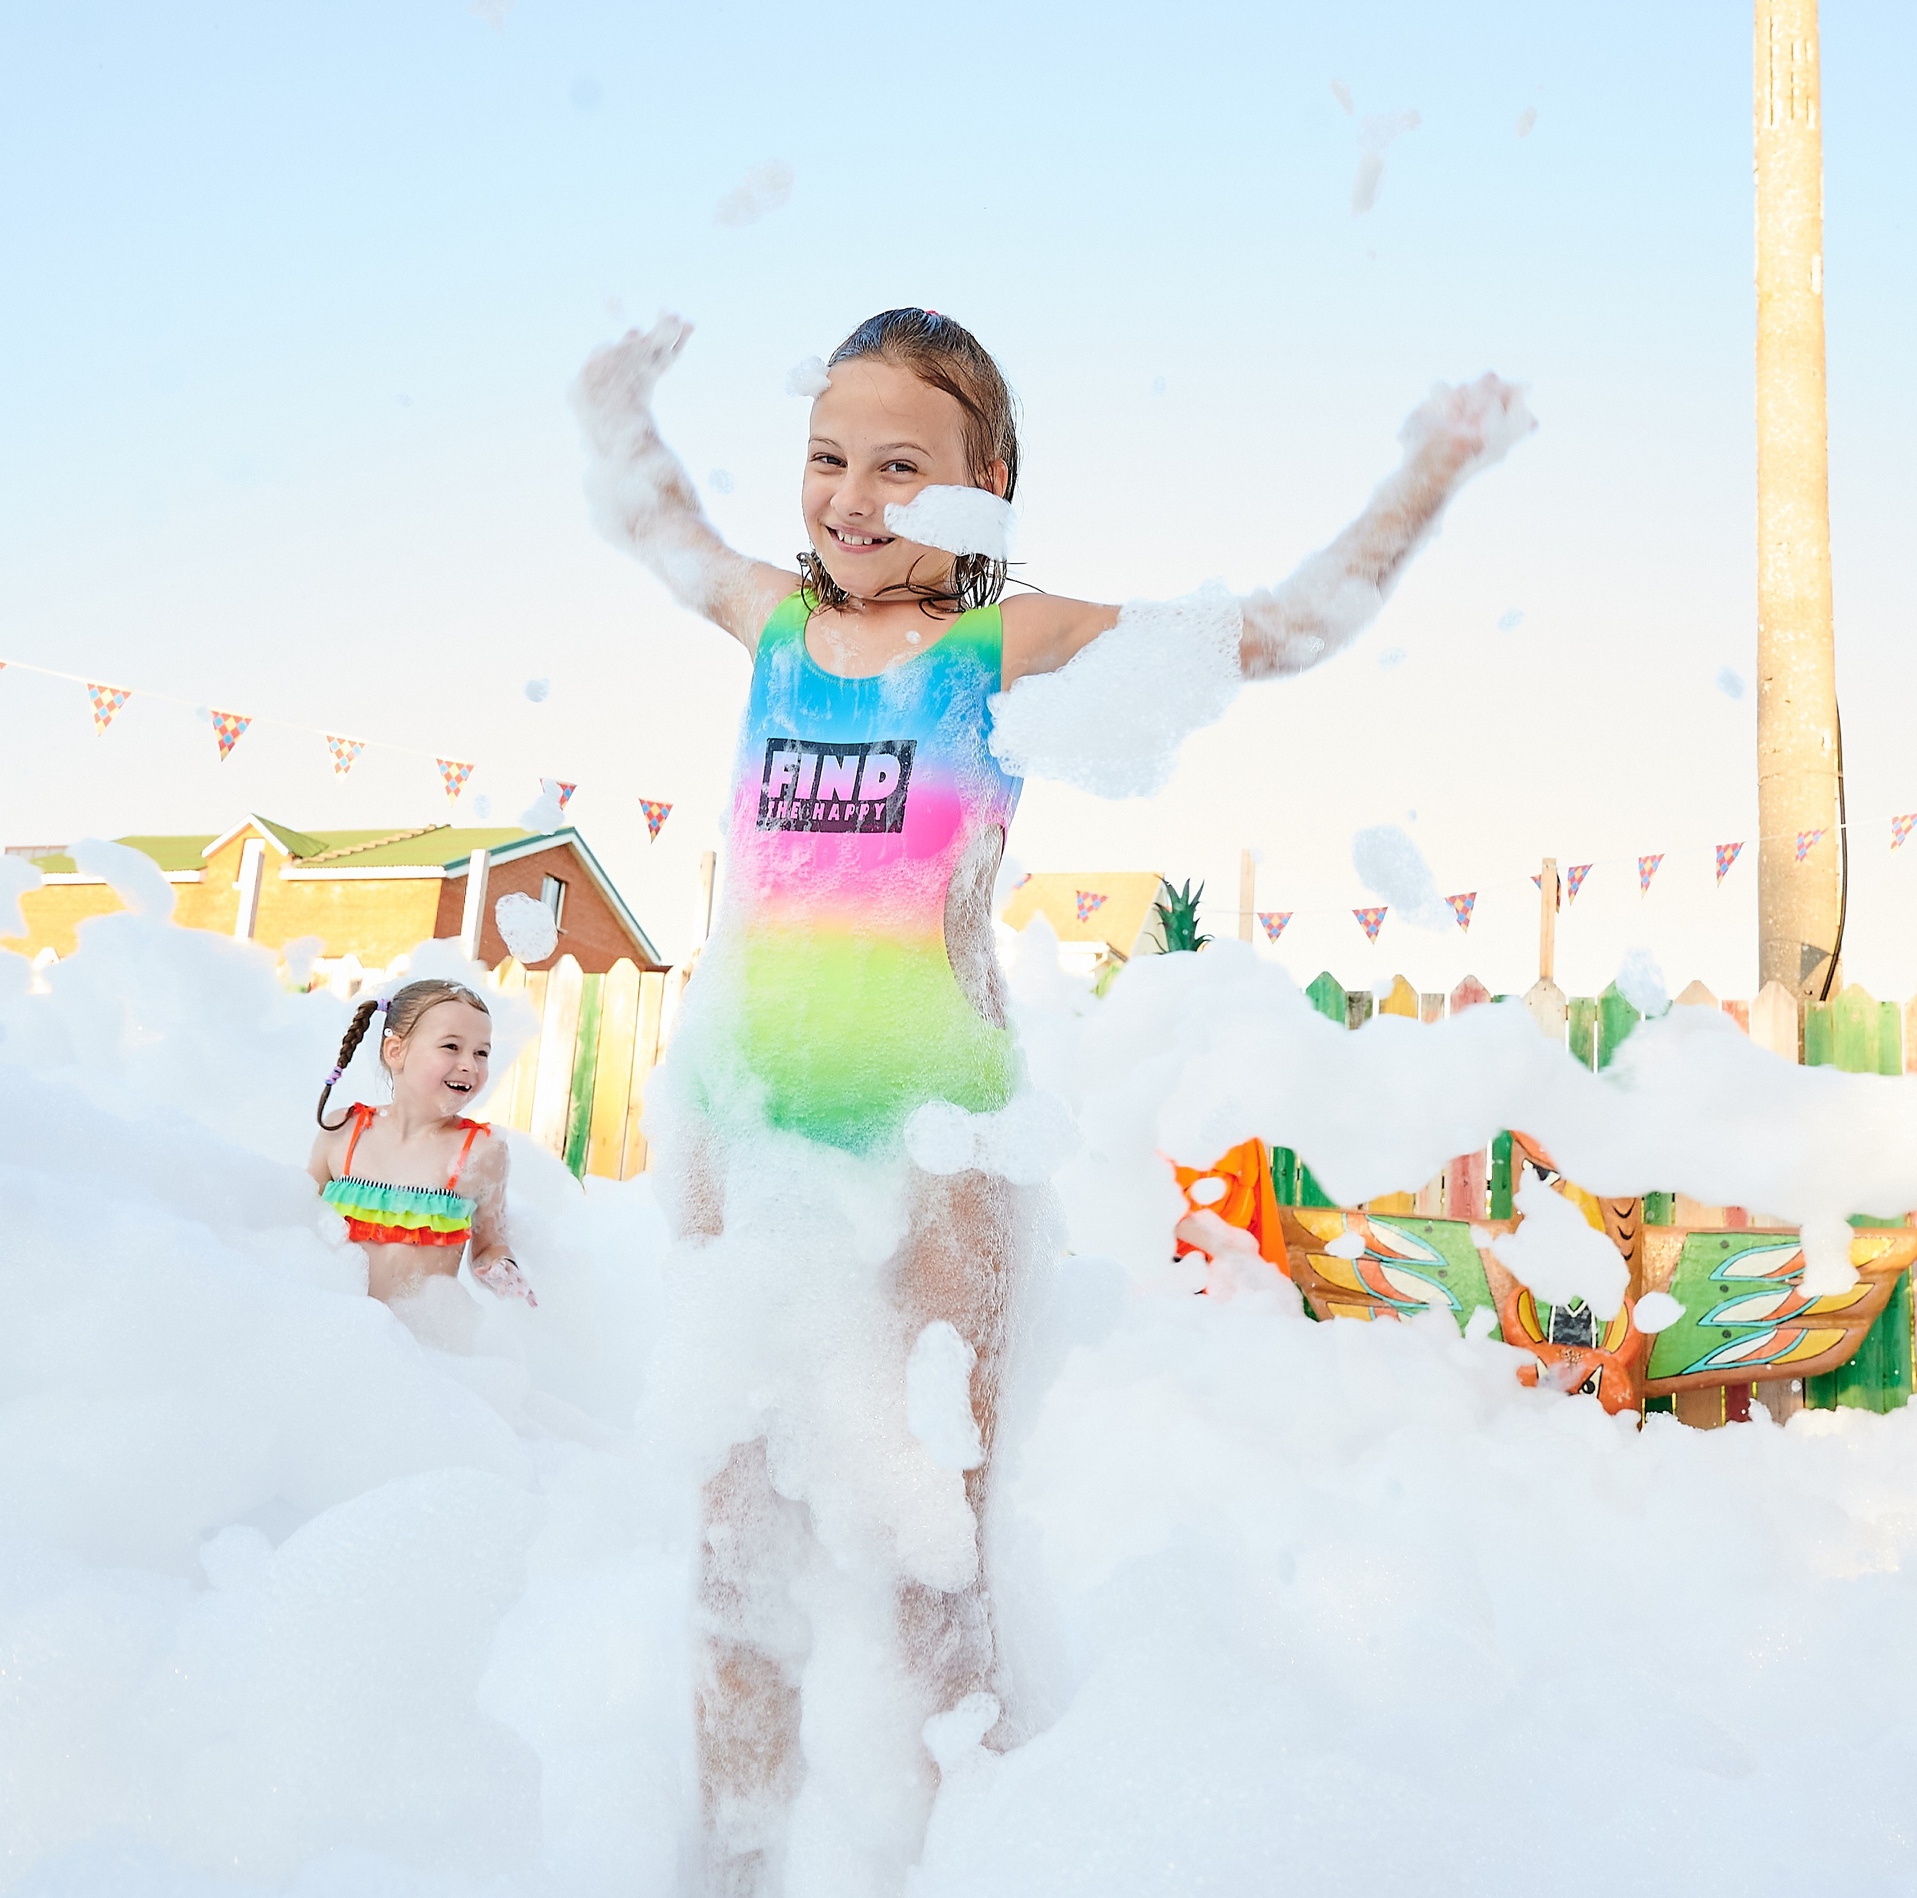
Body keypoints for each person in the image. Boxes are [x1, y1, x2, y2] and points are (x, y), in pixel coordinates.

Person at [572, 306, 1526, 1889]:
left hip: (940, 1139)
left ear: (985, 489)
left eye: (901, 464)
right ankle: (726, 1865)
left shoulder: (990, 651)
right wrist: (615, 413)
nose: (853, 495)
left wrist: (1425, 475)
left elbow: (1271, 630)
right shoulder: (770, 630)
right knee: (734, 1553)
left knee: (933, 1561)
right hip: (749, 1131)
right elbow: (665, 529)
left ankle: (965, 1858)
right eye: (826, 457)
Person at [307, 978, 533, 1308]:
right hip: (339, 1328)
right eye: (451, 1047)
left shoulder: (481, 1151)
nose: (470, 1064)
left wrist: (502, 1270)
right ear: (396, 1051)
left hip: (421, 1345)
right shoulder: (344, 1131)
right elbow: (297, 1220)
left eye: (481, 1052)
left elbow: (488, 1246)